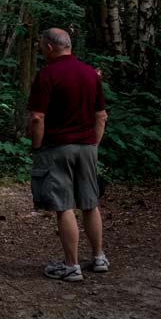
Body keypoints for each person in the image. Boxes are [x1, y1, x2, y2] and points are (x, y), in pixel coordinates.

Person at [27, 27, 109, 282]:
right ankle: (98, 257)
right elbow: (101, 116)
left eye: (42, 46)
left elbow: (37, 117)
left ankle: (71, 266)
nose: (42, 50)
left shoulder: (47, 75)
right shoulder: (90, 74)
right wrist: (93, 145)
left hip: (58, 147)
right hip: (87, 147)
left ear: (50, 47)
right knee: (90, 203)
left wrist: (38, 145)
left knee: (64, 207)